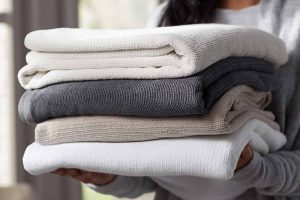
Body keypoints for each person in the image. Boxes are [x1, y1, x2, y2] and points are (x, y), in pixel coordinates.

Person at [53, 0, 300, 199]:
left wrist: (255, 168)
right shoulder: (166, 17)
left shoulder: (294, 20)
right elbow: (154, 165)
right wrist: (107, 177)